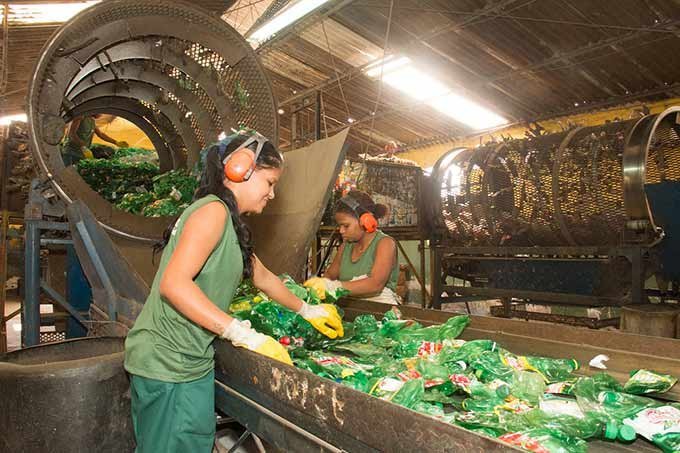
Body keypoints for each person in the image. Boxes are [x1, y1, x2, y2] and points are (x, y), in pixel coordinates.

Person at [124, 132, 343, 453]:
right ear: (241, 169)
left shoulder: (228, 223)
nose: (272, 194)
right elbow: (174, 284)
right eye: (269, 182)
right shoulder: (211, 212)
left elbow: (264, 277)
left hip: (189, 363)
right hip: (168, 364)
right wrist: (242, 333)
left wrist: (307, 310)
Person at [306, 190, 400, 305]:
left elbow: (375, 285)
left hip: (381, 311)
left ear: (366, 221)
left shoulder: (385, 244)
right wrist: (319, 285)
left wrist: (336, 286)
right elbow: (330, 275)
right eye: (339, 226)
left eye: (346, 225)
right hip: (351, 310)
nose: (341, 231)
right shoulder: (345, 247)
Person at [60, 114, 128, 165]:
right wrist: (82, 146)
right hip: (71, 153)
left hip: (82, 154)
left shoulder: (92, 121)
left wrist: (115, 142)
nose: (101, 115)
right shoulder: (80, 117)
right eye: (100, 112)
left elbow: (101, 134)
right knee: (68, 173)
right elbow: (71, 134)